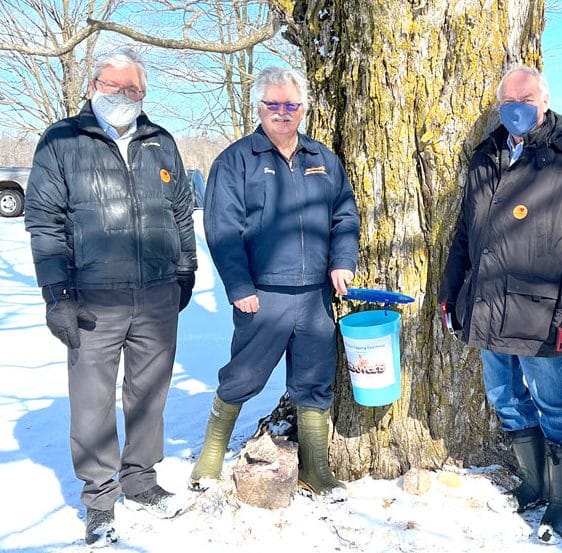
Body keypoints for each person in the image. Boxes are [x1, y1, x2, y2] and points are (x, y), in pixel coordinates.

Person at [24, 48, 197, 546]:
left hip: (158, 293)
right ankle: (100, 497)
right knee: (93, 401)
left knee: (149, 393)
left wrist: (185, 269)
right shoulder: (62, 140)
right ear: (94, 86)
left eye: (134, 90)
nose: (124, 96)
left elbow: (182, 211)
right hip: (91, 297)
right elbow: (45, 223)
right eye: (115, 86)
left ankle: (141, 479)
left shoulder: (160, 141)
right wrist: (56, 294)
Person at [439, 65, 562, 543]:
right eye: (508, 100)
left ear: (545, 101)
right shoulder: (485, 155)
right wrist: (451, 292)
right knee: (504, 399)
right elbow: (465, 234)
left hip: (543, 313)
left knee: (552, 403)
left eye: (527, 98)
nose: (517, 108)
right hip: (488, 304)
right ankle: (533, 483)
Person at [191, 66, 360, 497]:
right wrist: (239, 286)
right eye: (273, 105)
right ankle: (211, 454)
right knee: (243, 376)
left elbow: (344, 215)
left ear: (302, 109)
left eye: (291, 105)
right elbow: (221, 229)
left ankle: (316, 467)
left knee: (314, 381)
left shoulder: (322, 159)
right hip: (262, 296)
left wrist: (342, 261)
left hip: (316, 297)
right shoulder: (236, 161)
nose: (282, 113)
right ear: (260, 108)